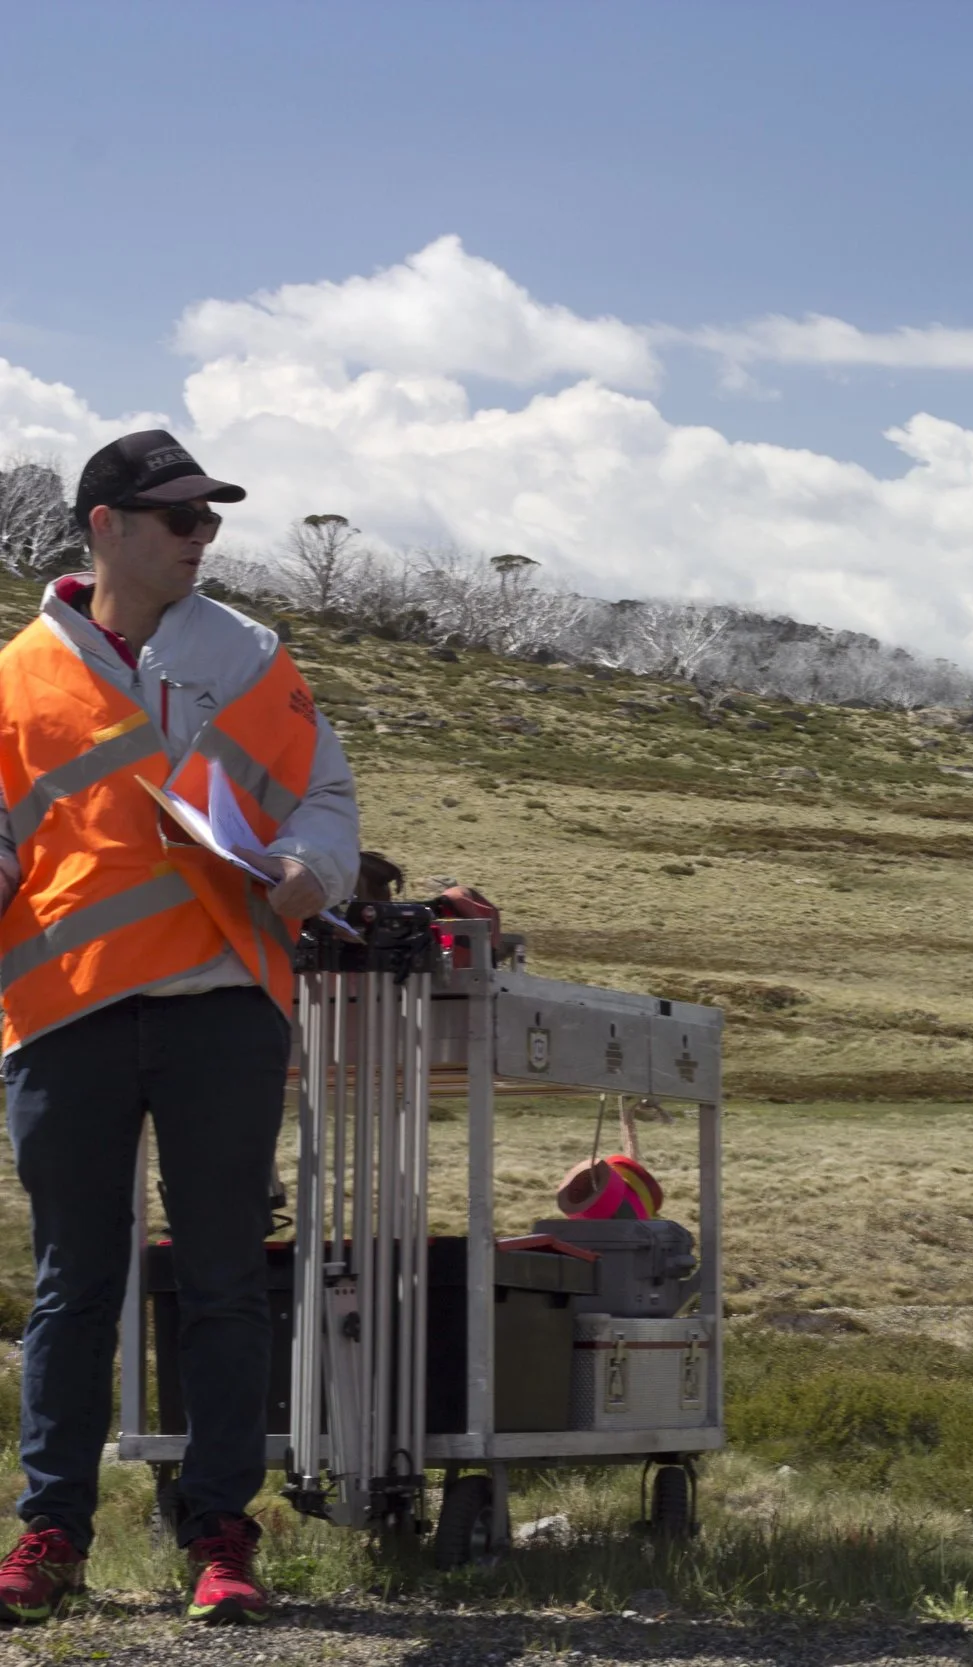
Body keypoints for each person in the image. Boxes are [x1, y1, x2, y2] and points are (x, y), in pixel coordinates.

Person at [0, 431, 359, 1627]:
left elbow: (324, 795)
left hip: (221, 1006)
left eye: (211, 520)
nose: (202, 538)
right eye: (178, 519)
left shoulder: (255, 654)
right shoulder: (15, 678)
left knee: (221, 1283)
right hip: (69, 1013)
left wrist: (313, 864)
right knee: (72, 1287)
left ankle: (219, 1533)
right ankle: (49, 1533)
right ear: (104, 525)